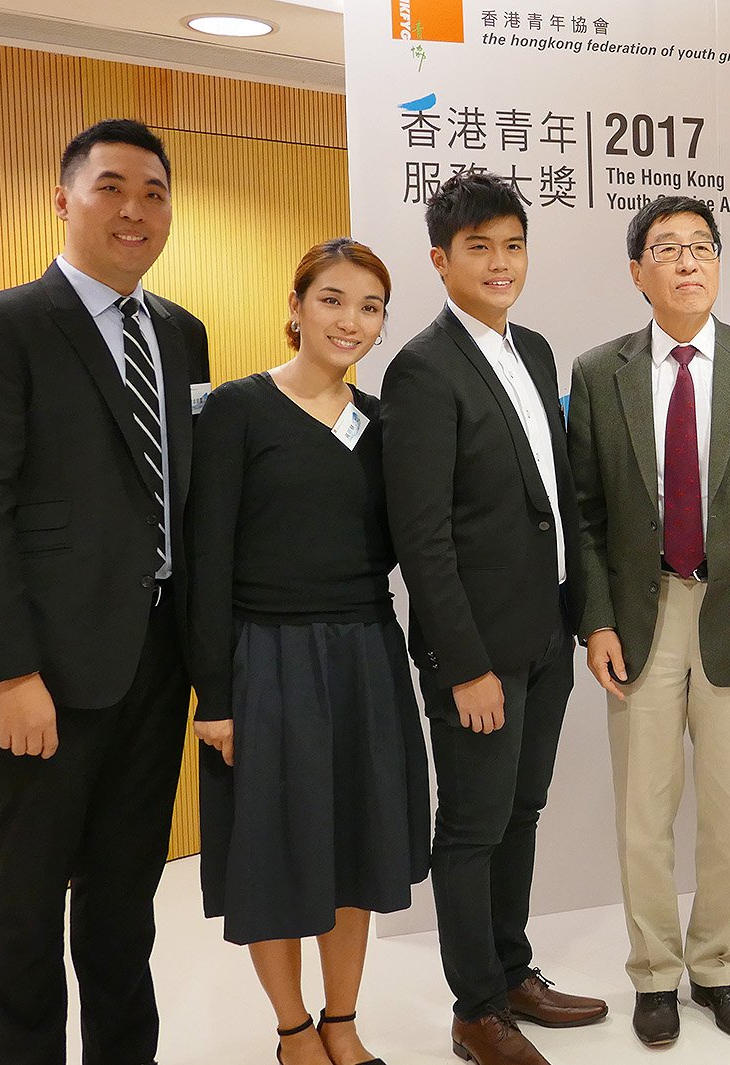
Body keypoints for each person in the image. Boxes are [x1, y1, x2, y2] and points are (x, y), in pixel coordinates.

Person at [0, 119, 209, 1064]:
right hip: (39, 671)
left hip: (153, 659)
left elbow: (178, 494)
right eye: (112, 187)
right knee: (31, 892)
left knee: (127, 891)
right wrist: (12, 671)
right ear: (63, 198)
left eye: (155, 192)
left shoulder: (179, 332)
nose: (136, 210)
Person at [569, 195, 730, 1046]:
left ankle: (718, 965)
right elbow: (584, 514)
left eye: (701, 246)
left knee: (728, 806)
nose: (686, 261)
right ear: (637, 271)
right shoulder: (599, 370)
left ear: (718, 264)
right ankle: (653, 972)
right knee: (643, 813)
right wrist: (597, 620)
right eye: (665, 248)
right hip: (642, 616)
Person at [380, 172, 606, 1065]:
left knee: (523, 808)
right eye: (479, 247)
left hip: (543, 633)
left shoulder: (536, 350)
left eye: (512, 244)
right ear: (441, 260)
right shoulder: (422, 369)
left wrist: (584, 620)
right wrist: (465, 663)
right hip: (475, 650)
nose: (500, 262)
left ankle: (513, 970)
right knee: (472, 826)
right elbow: (421, 537)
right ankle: (476, 1009)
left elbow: (556, 501)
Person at [187, 238, 430, 1064]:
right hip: (268, 659)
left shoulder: (382, 422)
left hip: (365, 653)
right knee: (277, 853)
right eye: (331, 299)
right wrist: (212, 696)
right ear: (295, 308)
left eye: (369, 306)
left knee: (356, 848)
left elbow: (409, 544)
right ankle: (293, 1029)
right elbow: (207, 559)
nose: (350, 319)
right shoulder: (237, 408)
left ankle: (343, 1020)